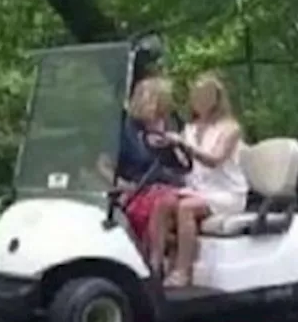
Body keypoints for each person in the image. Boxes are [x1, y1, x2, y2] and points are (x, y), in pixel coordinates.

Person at [160, 72, 249, 288]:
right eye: (196, 96)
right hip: (198, 189)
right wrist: (167, 146)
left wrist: (184, 145)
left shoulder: (229, 129)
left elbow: (214, 160)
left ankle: (183, 271)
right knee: (162, 204)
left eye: (204, 96)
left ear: (216, 99)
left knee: (186, 208)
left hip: (226, 193)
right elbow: (183, 162)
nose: (198, 100)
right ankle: (159, 265)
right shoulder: (189, 128)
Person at [98, 76, 186, 269]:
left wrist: (175, 144)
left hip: (171, 184)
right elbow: (102, 164)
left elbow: (183, 163)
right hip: (138, 188)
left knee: (176, 202)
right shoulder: (125, 129)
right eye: (156, 101)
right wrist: (122, 185)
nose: (160, 108)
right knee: (165, 203)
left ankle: (158, 259)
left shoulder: (171, 125)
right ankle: (153, 262)